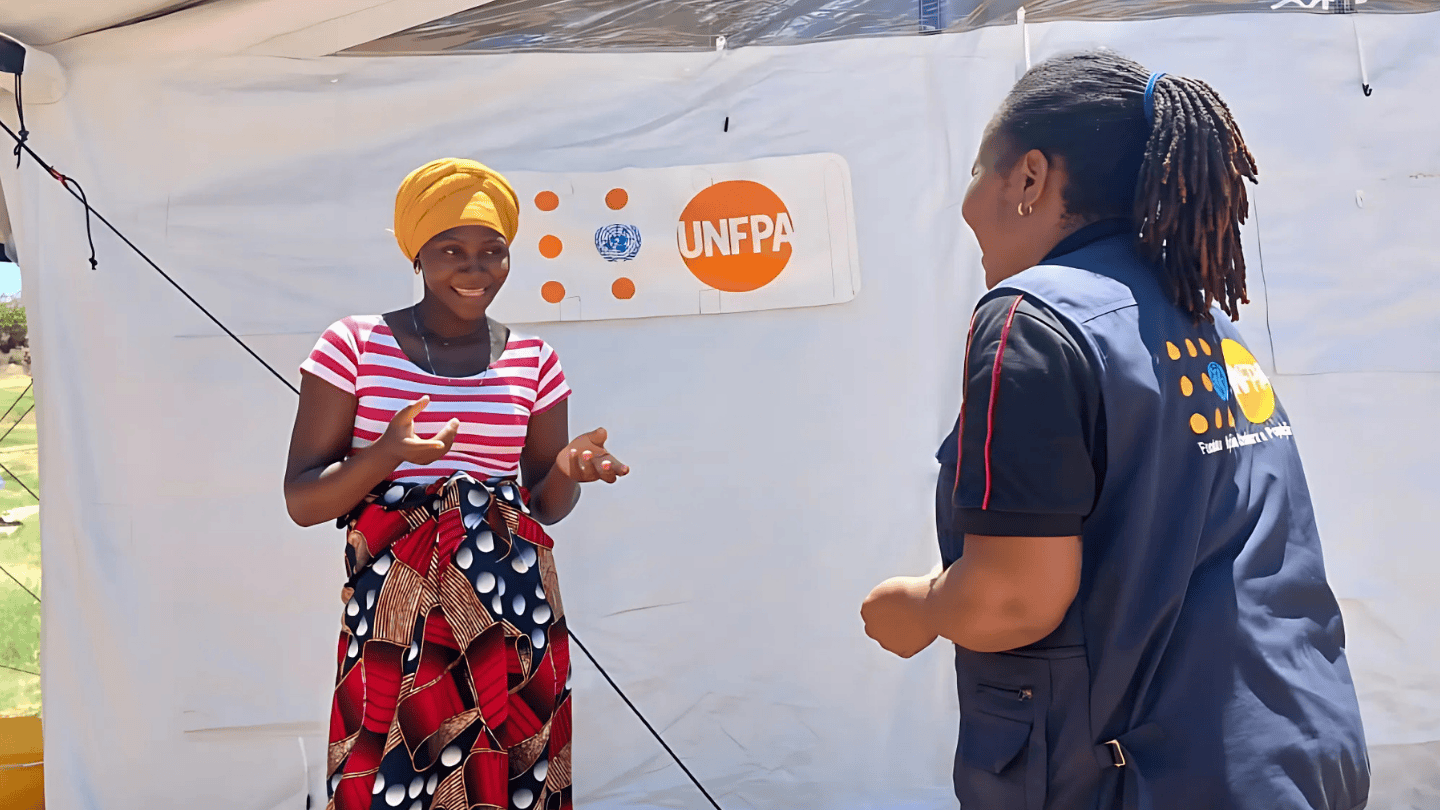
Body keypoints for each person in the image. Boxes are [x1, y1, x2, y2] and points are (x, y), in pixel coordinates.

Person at [860, 52, 1369, 810]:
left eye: (977, 168)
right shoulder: (1195, 313)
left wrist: (920, 608)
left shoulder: (1030, 320)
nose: (965, 199)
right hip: (1296, 751)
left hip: (1147, 780)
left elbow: (1013, 600)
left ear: (1029, 178)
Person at [284, 158, 628, 810]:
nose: (474, 270)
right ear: (415, 253)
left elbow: (543, 509)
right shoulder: (353, 345)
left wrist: (566, 471)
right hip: (395, 611)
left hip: (512, 606)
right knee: (389, 761)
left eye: (492, 251)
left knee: (510, 771)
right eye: (451, 250)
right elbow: (303, 499)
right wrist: (386, 453)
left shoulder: (534, 361)